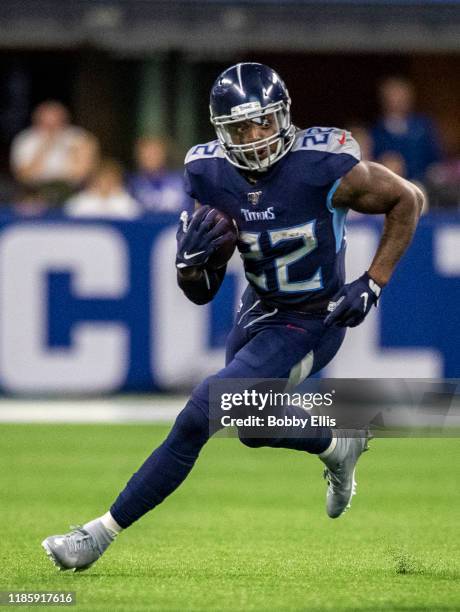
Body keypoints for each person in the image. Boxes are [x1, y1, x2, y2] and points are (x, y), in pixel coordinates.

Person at [42, 63, 424, 572]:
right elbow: (201, 293)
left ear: (283, 117)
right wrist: (189, 267)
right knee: (250, 424)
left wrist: (373, 282)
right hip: (258, 308)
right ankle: (338, 442)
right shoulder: (208, 173)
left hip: (312, 318)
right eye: (240, 128)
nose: (253, 137)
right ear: (220, 131)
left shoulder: (323, 164)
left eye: (262, 123)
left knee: (204, 409)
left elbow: (409, 199)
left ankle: (97, 534)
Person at [10, 100, 99, 206]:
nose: (52, 127)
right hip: (35, 190)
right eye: (46, 123)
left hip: (73, 188)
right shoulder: (25, 140)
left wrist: (73, 155)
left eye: (56, 121)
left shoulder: (80, 138)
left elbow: (83, 172)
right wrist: (45, 148)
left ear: (65, 121)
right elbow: (23, 176)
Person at [372, 77, 441, 182]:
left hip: (425, 184)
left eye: (401, 95)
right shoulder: (376, 132)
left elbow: (435, 157)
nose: (398, 100)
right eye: (393, 95)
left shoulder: (423, 126)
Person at [127, 136, 193, 214]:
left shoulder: (181, 180)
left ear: (163, 154)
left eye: (154, 153)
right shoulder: (131, 184)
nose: (151, 158)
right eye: (146, 154)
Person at [65, 158, 139, 219]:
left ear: (118, 181)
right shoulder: (79, 203)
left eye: (110, 179)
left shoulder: (127, 204)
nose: (105, 183)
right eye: (102, 179)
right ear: (93, 180)